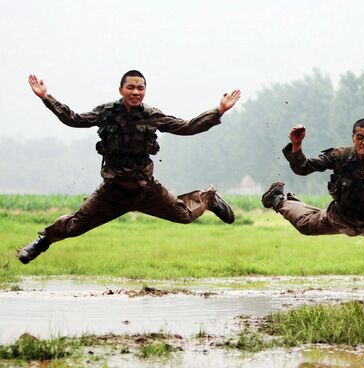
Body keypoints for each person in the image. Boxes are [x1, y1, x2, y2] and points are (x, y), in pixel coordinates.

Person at [17, 71, 241, 264]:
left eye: (140, 88)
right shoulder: (106, 113)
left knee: (184, 215)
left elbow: (188, 127)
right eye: (131, 87)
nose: (136, 92)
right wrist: (47, 98)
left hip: (146, 190)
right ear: (121, 89)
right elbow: (74, 119)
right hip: (111, 192)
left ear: (145, 91)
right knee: (75, 226)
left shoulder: (152, 115)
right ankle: (42, 242)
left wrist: (218, 111)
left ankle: (208, 199)